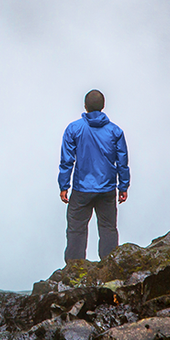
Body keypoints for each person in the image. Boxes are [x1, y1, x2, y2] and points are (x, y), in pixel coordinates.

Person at [58, 89, 129, 262]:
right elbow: (122, 161)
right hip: (107, 189)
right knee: (108, 229)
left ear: (85, 106)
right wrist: (123, 186)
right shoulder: (115, 131)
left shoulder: (74, 129)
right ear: (103, 106)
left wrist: (64, 186)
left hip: (82, 189)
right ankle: (110, 267)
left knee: (76, 229)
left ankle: (74, 271)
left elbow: (67, 160)